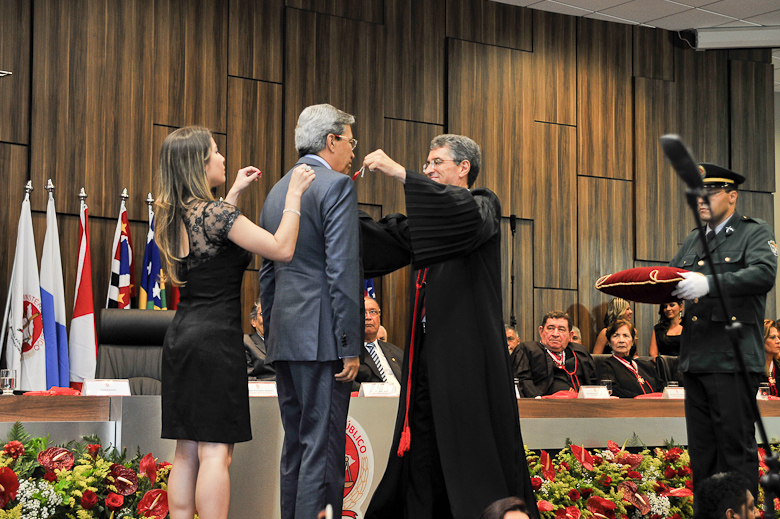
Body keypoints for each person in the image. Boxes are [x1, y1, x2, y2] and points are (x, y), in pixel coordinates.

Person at [359, 135, 539, 519]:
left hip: (468, 359)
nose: (428, 170)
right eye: (425, 164)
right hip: (426, 355)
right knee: (424, 446)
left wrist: (400, 173)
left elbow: (460, 214)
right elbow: (384, 240)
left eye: (436, 162)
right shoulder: (428, 225)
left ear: (464, 168)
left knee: (471, 449)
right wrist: (335, 205)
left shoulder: (483, 205)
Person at [155, 126, 314, 519]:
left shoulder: (173, 215)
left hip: (182, 339)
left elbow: (212, 246)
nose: (223, 157)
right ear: (198, 163)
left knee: (186, 450)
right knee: (216, 453)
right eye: (215, 151)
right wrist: (294, 196)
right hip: (216, 341)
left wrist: (235, 193)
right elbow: (281, 248)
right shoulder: (217, 214)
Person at [259, 104, 361, 519]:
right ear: (331, 140)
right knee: (323, 451)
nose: (353, 151)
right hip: (323, 340)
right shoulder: (336, 185)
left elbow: (267, 273)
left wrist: (275, 333)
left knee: (297, 448)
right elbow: (342, 270)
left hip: (285, 338)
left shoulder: (276, 191)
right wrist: (349, 344)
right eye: (350, 142)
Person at [669, 163, 777, 496]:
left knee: (734, 451)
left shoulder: (753, 232)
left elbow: (764, 274)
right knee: (702, 455)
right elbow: (669, 278)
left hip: (732, 359)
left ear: (732, 196)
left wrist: (709, 284)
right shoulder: (694, 239)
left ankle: (740, 513)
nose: (700, 200)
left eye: (710, 193)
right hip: (695, 360)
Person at [512, 311, 597, 397]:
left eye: (561, 329)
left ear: (570, 335)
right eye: (550, 328)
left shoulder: (580, 352)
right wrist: (540, 400)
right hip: (543, 403)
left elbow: (593, 383)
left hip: (580, 403)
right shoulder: (527, 350)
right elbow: (522, 382)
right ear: (541, 331)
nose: (555, 334)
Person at [598, 320, 662, 398]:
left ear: (632, 342)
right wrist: (640, 398)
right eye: (616, 336)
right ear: (609, 342)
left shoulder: (646, 365)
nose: (621, 340)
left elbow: (661, 389)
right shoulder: (607, 366)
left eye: (626, 335)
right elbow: (612, 390)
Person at [355, 296, 403, 389]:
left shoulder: (397, 352)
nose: (368, 317)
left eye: (373, 312)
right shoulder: (349, 354)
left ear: (379, 318)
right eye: (363, 312)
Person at [243, 300, 275, 381]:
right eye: (262, 314)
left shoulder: (285, 342)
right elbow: (247, 378)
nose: (268, 318)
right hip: (262, 386)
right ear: (253, 321)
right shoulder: (246, 342)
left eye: (272, 314)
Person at [763, 319, 780, 397]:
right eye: (772, 337)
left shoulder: (778, 365)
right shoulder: (755, 367)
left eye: (778, 337)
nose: (778, 341)